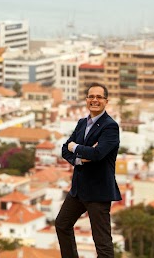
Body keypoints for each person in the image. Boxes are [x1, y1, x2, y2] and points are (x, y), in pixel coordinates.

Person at [55, 82, 121, 258]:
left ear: (106, 101)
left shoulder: (110, 126)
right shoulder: (82, 123)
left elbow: (98, 154)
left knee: (102, 241)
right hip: (78, 189)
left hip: (98, 192)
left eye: (99, 97)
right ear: (86, 100)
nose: (94, 100)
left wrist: (75, 147)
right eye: (91, 96)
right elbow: (65, 149)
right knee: (62, 224)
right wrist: (79, 159)